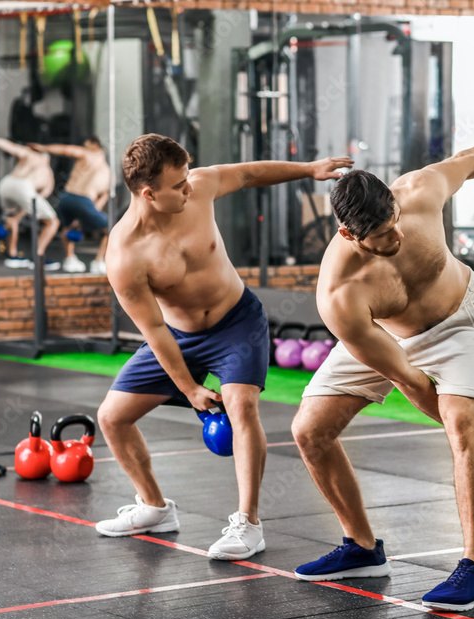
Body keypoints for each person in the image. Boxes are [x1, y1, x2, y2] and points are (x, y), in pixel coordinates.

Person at [290, 142, 474, 611]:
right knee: (308, 430)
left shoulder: (419, 191)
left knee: (459, 423)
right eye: (382, 236)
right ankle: (361, 547)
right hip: (388, 335)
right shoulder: (339, 297)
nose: (396, 237)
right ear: (348, 235)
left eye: (394, 222)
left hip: (463, 319)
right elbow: (406, 377)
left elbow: (469, 163)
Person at [94, 133, 352, 561]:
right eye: (178, 186)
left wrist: (310, 169)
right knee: (111, 418)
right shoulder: (124, 256)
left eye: (186, 178)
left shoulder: (198, 189)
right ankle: (154, 507)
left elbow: (250, 173)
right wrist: (191, 390)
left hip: (236, 323)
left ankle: (248, 524)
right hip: (177, 337)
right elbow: (155, 331)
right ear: (148, 194)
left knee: (241, 405)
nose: (189, 188)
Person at [29, 137, 111, 274]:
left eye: (87, 145)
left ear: (95, 145)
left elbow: (65, 150)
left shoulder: (88, 154)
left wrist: (43, 147)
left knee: (67, 227)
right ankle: (98, 262)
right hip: (84, 200)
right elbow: (104, 196)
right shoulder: (108, 172)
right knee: (110, 229)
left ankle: (69, 259)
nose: (84, 147)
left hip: (66, 197)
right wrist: (88, 214)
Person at [0, 138, 61, 270]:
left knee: (12, 218)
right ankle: (38, 257)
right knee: (52, 222)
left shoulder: (29, 156)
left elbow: (12, 147)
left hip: (6, 184)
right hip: (23, 187)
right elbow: (43, 194)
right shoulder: (39, 160)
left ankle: (12, 255)